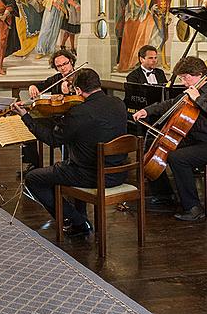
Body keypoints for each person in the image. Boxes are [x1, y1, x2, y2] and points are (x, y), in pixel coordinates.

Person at [13, 68, 128, 236]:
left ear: (79, 90)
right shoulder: (118, 103)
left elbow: (53, 140)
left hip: (91, 175)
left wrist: (26, 117)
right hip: (119, 172)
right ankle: (78, 217)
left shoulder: (80, 113)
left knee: (34, 178)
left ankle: (77, 221)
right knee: (74, 162)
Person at [133, 56, 207, 221]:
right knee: (155, 142)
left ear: (199, 74)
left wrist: (198, 98)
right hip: (196, 140)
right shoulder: (191, 91)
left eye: (186, 77)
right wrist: (147, 111)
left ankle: (193, 207)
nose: (184, 82)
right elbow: (171, 103)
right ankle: (164, 194)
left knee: (178, 158)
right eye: (182, 78)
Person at [20, 50, 78, 170]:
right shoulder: (56, 79)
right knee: (29, 124)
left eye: (65, 64)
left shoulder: (81, 77)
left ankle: (69, 164)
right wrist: (33, 86)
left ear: (71, 61)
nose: (63, 68)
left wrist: (70, 92)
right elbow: (41, 85)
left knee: (68, 133)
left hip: (75, 120)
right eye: (59, 66)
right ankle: (33, 163)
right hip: (56, 118)